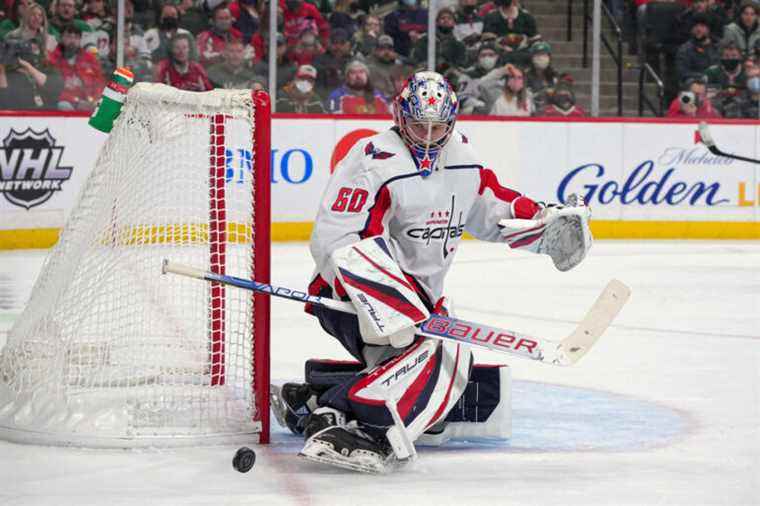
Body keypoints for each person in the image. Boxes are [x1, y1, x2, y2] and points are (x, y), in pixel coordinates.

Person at [292, 71, 591, 473]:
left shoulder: (462, 159)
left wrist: (544, 222)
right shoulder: (372, 160)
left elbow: (492, 207)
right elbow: (336, 241)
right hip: (349, 300)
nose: (429, 137)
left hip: (420, 306)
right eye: (419, 125)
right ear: (400, 116)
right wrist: (393, 302)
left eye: (439, 127)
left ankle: (315, 405)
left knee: (444, 372)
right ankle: (363, 428)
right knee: (445, 354)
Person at [48, 23, 104, 110]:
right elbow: (52, 88)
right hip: (65, 102)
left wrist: (95, 99)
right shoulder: (52, 59)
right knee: (64, 106)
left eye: (76, 37)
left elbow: (98, 82)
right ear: (61, 38)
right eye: (69, 37)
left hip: (88, 101)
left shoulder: (90, 59)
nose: (73, 41)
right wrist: (76, 102)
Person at [0, 42, 63, 109]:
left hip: (46, 113)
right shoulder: (8, 74)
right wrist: (2, 68)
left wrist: (28, 66)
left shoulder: (44, 68)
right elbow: (4, 102)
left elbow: (55, 87)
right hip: (20, 114)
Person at [675, 15, 720, 82]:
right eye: (695, 26)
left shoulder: (718, 46)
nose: (698, 29)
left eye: (702, 26)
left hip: (718, 84)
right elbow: (682, 72)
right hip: (696, 84)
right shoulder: (685, 49)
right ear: (691, 30)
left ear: (708, 29)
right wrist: (704, 76)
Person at [312, 27, 354, 96]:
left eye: (342, 43)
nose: (338, 46)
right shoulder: (319, 60)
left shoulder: (354, 61)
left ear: (348, 45)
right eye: (334, 43)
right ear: (329, 44)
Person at [366, 34, 399, 100]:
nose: (386, 52)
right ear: (376, 50)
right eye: (382, 48)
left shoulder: (398, 66)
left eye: (389, 48)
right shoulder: (369, 68)